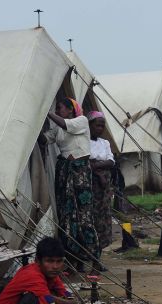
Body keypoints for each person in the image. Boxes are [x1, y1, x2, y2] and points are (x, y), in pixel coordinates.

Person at [42, 98, 98, 273]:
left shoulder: (81, 121)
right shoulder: (58, 128)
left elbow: (66, 125)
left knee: (84, 216)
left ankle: (95, 259)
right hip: (65, 171)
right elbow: (45, 139)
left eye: (60, 108)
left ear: (70, 110)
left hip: (79, 171)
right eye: (57, 109)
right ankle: (74, 260)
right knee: (67, 216)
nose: (58, 111)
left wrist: (47, 112)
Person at [88, 111, 115, 265]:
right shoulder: (84, 142)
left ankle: (97, 258)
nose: (100, 128)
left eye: (102, 126)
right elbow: (86, 162)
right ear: (90, 125)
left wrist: (96, 167)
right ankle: (86, 257)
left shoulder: (104, 143)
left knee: (102, 220)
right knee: (89, 220)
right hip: (90, 186)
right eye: (97, 125)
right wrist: (98, 173)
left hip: (103, 189)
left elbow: (111, 162)